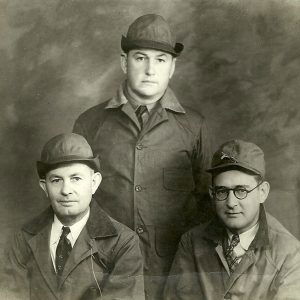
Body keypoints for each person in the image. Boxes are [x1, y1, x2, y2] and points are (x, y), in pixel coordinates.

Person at [73, 14, 212, 299]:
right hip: (108, 277)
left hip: (175, 276)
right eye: (140, 58)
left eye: (160, 60)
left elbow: (209, 207)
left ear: (172, 67)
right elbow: (73, 206)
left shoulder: (194, 127)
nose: (150, 69)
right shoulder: (89, 124)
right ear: (124, 62)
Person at [5, 133, 145, 300]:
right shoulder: (24, 239)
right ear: (44, 187)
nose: (66, 190)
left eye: (76, 178)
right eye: (56, 180)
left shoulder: (123, 243)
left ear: (94, 183)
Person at [164, 139, 300, 300]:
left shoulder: (289, 252)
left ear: (262, 192)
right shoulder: (191, 242)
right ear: (211, 194)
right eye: (222, 191)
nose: (231, 203)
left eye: (241, 190)